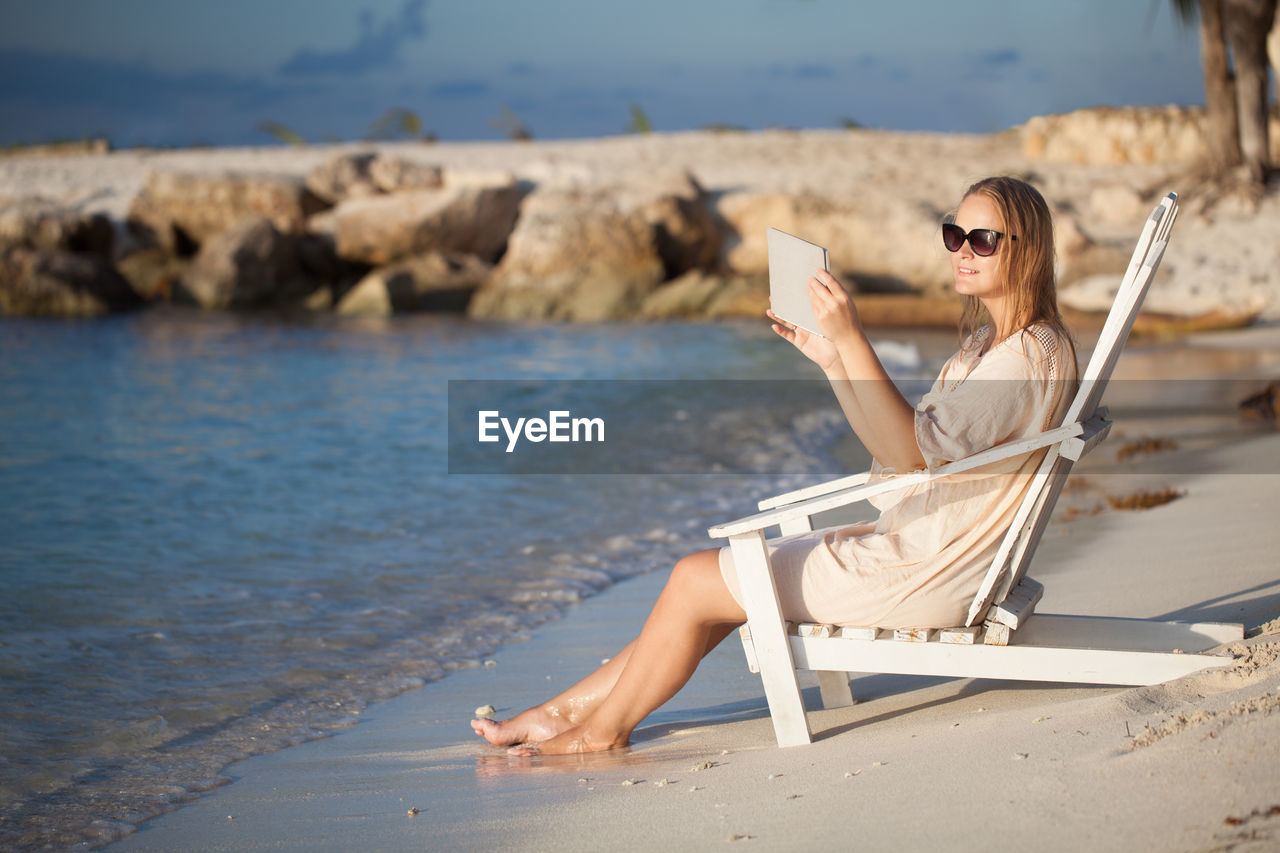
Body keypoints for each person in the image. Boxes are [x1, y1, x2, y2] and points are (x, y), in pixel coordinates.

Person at [472, 176, 1078, 756]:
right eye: (954, 235)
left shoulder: (1019, 359)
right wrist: (835, 358)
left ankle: (598, 734)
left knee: (695, 579)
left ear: (1027, 251)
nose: (962, 252)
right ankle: (564, 715)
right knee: (715, 584)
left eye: (982, 240)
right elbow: (904, 449)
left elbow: (909, 453)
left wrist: (854, 337)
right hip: (930, 549)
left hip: (930, 570)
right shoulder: (1002, 347)